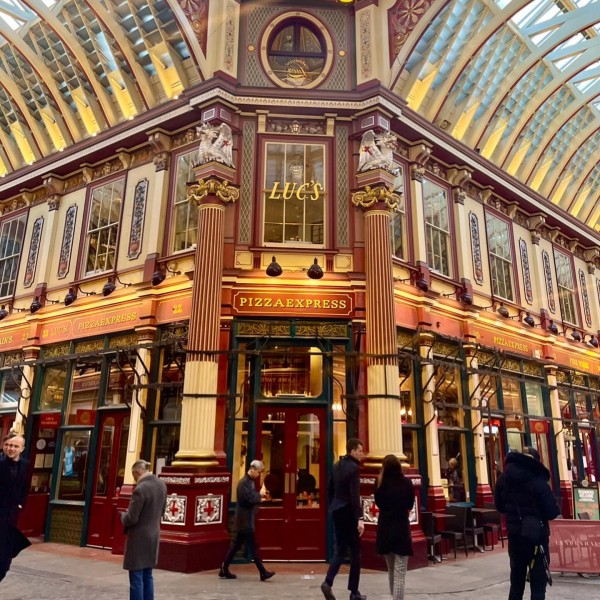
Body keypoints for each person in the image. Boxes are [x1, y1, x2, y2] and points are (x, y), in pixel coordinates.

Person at [494, 446, 560, 600]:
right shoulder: (537, 480)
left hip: (515, 536)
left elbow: (499, 506)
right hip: (537, 539)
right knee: (538, 584)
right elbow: (552, 511)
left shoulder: (504, 479)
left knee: (516, 582)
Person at [321, 438, 366, 600]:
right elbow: (355, 495)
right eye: (360, 451)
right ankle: (354, 592)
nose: (362, 454)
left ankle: (327, 582)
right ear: (352, 451)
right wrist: (359, 518)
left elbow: (329, 489)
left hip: (337, 511)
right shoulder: (354, 468)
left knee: (340, 550)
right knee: (355, 553)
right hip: (349, 512)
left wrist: (331, 507)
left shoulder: (336, 466)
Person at [219, 459, 275, 581]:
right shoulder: (243, 483)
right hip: (244, 520)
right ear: (253, 469)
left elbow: (251, 497)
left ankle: (224, 568)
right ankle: (263, 572)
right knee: (253, 547)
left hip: (246, 519)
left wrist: (257, 496)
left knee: (237, 545)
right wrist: (259, 496)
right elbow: (248, 499)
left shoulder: (249, 482)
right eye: (258, 472)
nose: (259, 474)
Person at [121, 460, 167, 600]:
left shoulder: (140, 490)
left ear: (138, 472)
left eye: (134, 475)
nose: (134, 479)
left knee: (136, 577)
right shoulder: (162, 485)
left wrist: (123, 516)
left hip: (139, 539)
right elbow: (162, 511)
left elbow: (132, 518)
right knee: (148, 574)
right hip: (153, 535)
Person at [374, 455, 415, 600]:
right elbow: (410, 505)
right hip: (401, 529)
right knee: (400, 572)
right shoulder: (407, 483)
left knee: (391, 570)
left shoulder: (379, 484)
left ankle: (394, 596)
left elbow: (378, 503)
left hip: (385, 528)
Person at [0, 434, 31, 582]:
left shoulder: (25, 465)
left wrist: (20, 505)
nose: (11, 448)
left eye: (15, 446)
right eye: (9, 445)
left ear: (22, 449)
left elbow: (25, 488)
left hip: (11, 519)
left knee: (5, 561)